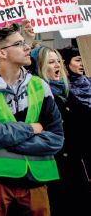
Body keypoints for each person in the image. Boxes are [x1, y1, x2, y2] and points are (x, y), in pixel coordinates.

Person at [0, 25, 64, 215]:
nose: (27, 47)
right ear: (2, 52)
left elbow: (56, 138)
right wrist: (31, 128)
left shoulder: (39, 85)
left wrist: (8, 141)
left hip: (35, 181)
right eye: (20, 44)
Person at [50, 46, 91, 214]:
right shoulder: (64, 92)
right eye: (77, 60)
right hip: (70, 160)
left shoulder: (88, 83)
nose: (82, 64)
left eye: (83, 59)